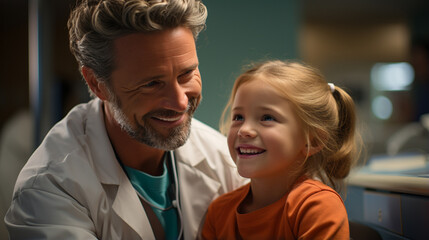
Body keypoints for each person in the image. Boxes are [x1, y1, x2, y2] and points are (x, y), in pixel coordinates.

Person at [5, 0, 245, 239]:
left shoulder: (225, 161)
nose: (181, 102)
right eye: (151, 84)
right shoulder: (48, 190)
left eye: (187, 74)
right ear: (97, 84)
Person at [201, 60, 361, 239]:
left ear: (313, 141)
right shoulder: (219, 211)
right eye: (238, 116)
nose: (244, 130)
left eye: (267, 117)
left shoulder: (316, 206)